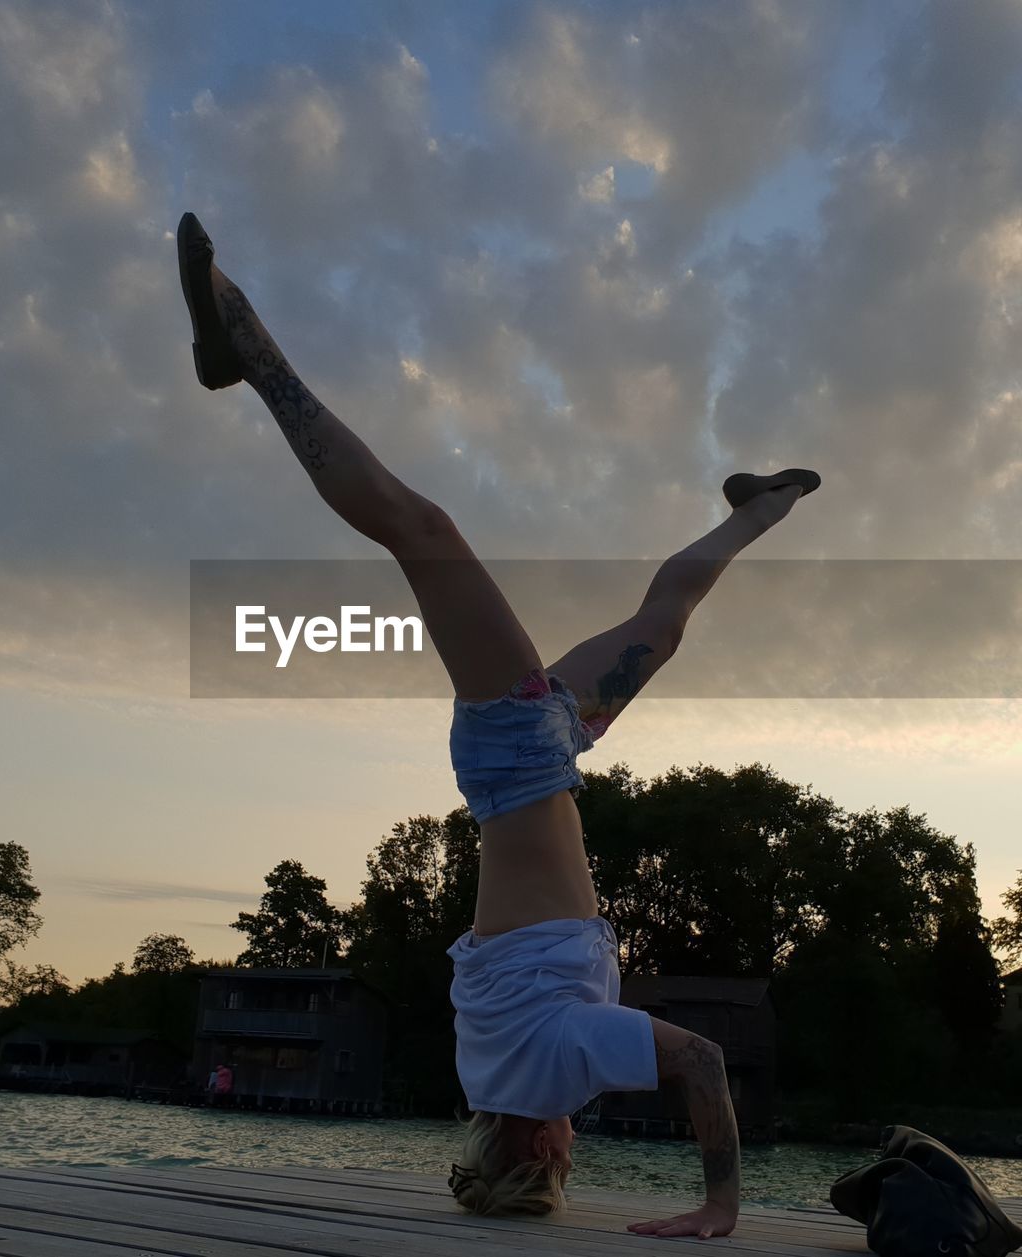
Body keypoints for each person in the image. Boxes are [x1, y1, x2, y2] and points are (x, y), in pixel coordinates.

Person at [178, 212, 821, 1238]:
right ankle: (754, 508)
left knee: (419, 531)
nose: (575, 1147)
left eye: (560, 1163)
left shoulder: (550, 1067)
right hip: (540, 755)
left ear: (533, 1145)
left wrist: (719, 1203)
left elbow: (698, 1063)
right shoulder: (488, 1066)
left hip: (518, 755)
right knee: (662, 628)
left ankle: (244, 351)